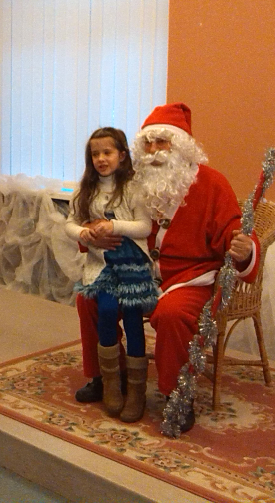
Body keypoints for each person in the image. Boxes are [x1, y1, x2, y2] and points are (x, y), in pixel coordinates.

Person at [77, 103, 260, 433]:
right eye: (147, 143)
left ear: (182, 147)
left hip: (188, 279)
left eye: (162, 142)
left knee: (172, 314)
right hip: (135, 272)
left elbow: (234, 232)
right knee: (89, 298)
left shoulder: (213, 184)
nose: (154, 152)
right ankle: (106, 376)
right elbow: (103, 216)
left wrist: (244, 248)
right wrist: (93, 235)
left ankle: (177, 394)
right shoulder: (131, 181)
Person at [65, 128, 158, 423]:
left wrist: (114, 226)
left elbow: (144, 226)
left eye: (107, 152)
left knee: (132, 318)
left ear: (122, 155)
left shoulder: (133, 188)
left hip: (132, 269)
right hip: (101, 268)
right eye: (95, 154)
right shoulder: (86, 190)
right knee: (104, 310)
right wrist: (83, 233)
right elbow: (70, 222)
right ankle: (110, 383)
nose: (101, 159)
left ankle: (137, 389)